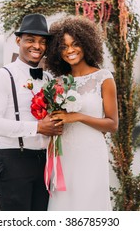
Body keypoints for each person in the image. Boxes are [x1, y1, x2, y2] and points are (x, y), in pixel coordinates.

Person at [0, 14, 63, 211]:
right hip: (13, 163)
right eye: (30, 40)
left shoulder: (48, 79)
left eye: (42, 41)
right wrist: (37, 127)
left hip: (44, 164)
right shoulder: (2, 76)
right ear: (18, 41)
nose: (37, 46)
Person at [44, 15, 119, 211]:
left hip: (91, 152)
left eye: (75, 44)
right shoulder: (57, 82)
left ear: (86, 44)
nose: (70, 50)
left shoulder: (103, 77)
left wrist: (77, 116)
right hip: (64, 154)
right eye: (63, 46)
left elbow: (112, 124)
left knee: (90, 205)